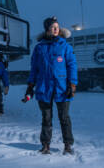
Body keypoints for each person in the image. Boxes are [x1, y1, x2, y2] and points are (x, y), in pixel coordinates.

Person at [24, 16, 78, 155]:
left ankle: (67, 145)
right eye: (53, 27)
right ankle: (46, 145)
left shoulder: (65, 46)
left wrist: (72, 84)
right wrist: (30, 85)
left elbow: (72, 65)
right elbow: (34, 68)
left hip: (62, 87)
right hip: (44, 87)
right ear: (47, 29)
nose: (56, 29)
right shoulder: (39, 48)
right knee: (46, 118)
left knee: (64, 118)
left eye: (57, 27)